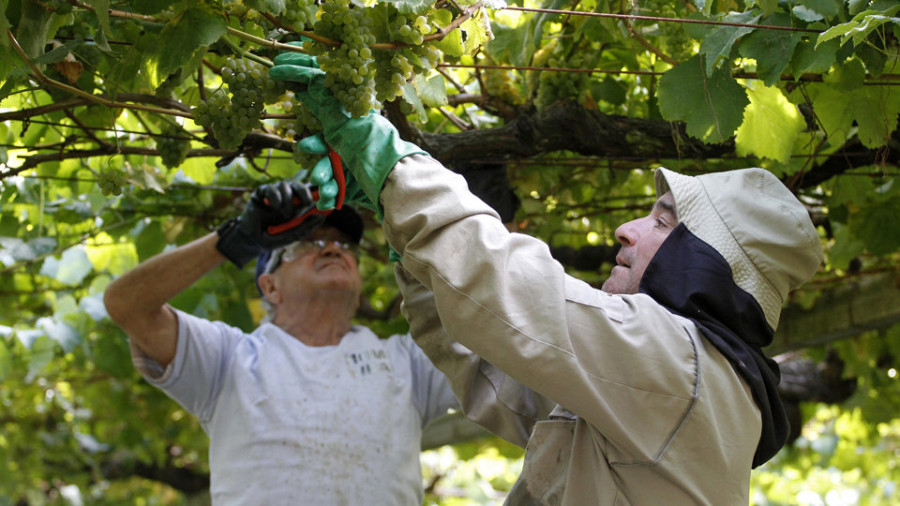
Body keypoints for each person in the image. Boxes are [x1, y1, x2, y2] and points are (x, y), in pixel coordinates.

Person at [270, 53, 824, 504]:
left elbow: (507, 289)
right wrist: (407, 240)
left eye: (662, 220)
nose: (626, 231)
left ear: (705, 260)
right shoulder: (666, 387)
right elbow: (492, 364)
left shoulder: (683, 367)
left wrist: (395, 164)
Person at [103, 181, 458, 504]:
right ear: (270, 286)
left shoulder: (406, 361)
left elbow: (494, 336)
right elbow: (127, 305)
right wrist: (235, 239)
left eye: (344, 244)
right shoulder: (228, 358)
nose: (333, 249)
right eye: (310, 242)